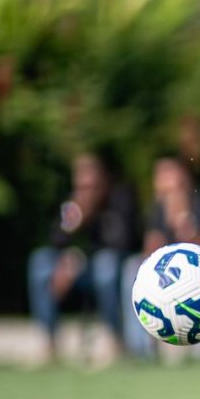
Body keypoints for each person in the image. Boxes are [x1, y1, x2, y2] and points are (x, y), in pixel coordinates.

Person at [122, 156, 200, 358]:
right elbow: (150, 253)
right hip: (171, 273)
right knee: (132, 267)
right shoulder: (157, 210)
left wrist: (187, 226)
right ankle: (141, 350)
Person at [27, 151, 138, 363]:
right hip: (75, 266)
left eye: (91, 186)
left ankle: (116, 339)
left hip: (105, 265)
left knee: (106, 268)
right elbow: (56, 241)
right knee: (40, 262)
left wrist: (78, 256)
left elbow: (121, 242)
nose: (86, 191)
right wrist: (74, 222)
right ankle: (49, 342)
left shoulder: (119, 200)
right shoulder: (70, 205)